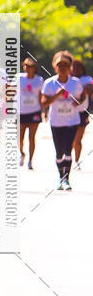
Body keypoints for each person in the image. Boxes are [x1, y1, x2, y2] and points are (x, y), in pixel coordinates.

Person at [41, 51, 90, 191]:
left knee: (68, 149)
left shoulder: (76, 83)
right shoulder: (49, 83)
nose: (62, 68)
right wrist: (57, 95)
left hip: (72, 121)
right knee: (59, 152)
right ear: (55, 68)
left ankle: (66, 180)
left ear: (69, 68)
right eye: (59, 66)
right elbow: (44, 103)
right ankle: (59, 177)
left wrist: (78, 102)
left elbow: (82, 97)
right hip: (56, 121)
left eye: (65, 66)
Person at [18, 58, 43, 169]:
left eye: (30, 66)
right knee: (20, 137)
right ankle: (22, 153)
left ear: (35, 68)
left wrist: (44, 111)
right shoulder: (18, 78)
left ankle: (30, 161)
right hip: (21, 111)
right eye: (26, 66)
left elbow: (41, 97)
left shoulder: (39, 80)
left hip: (34, 111)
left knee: (32, 137)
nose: (28, 68)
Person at [70, 59, 92, 169]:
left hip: (82, 112)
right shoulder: (68, 80)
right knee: (70, 139)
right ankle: (67, 159)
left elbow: (90, 88)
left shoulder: (87, 79)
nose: (76, 69)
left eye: (79, 67)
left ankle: (77, 160)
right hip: (68, 113)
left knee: (78, 139)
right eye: (74, 66)